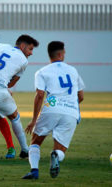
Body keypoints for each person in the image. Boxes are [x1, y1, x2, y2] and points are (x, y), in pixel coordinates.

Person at [22, 41, 85, 179]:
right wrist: (69, 105)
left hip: (51, 109)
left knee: (35, 142)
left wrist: (33, 120)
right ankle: (56, 156)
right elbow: (80, 96)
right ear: (61, 54)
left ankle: (34, 171)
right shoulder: (73, 70)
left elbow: (39, 95)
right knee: (60, 149)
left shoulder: (42, 72)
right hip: (71, 112)